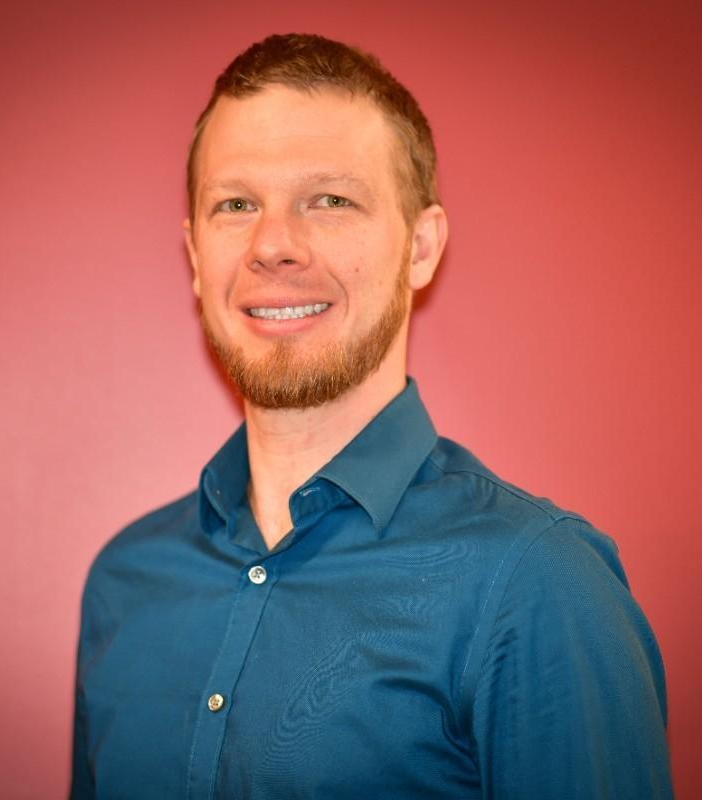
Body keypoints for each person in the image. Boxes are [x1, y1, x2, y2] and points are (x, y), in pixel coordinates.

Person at [70, 33, 672, 799]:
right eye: (236, 204)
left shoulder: (537, 585)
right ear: (194, 257)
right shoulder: (125, 582)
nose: (274, 244)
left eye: (330, 200)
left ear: (421, 248)